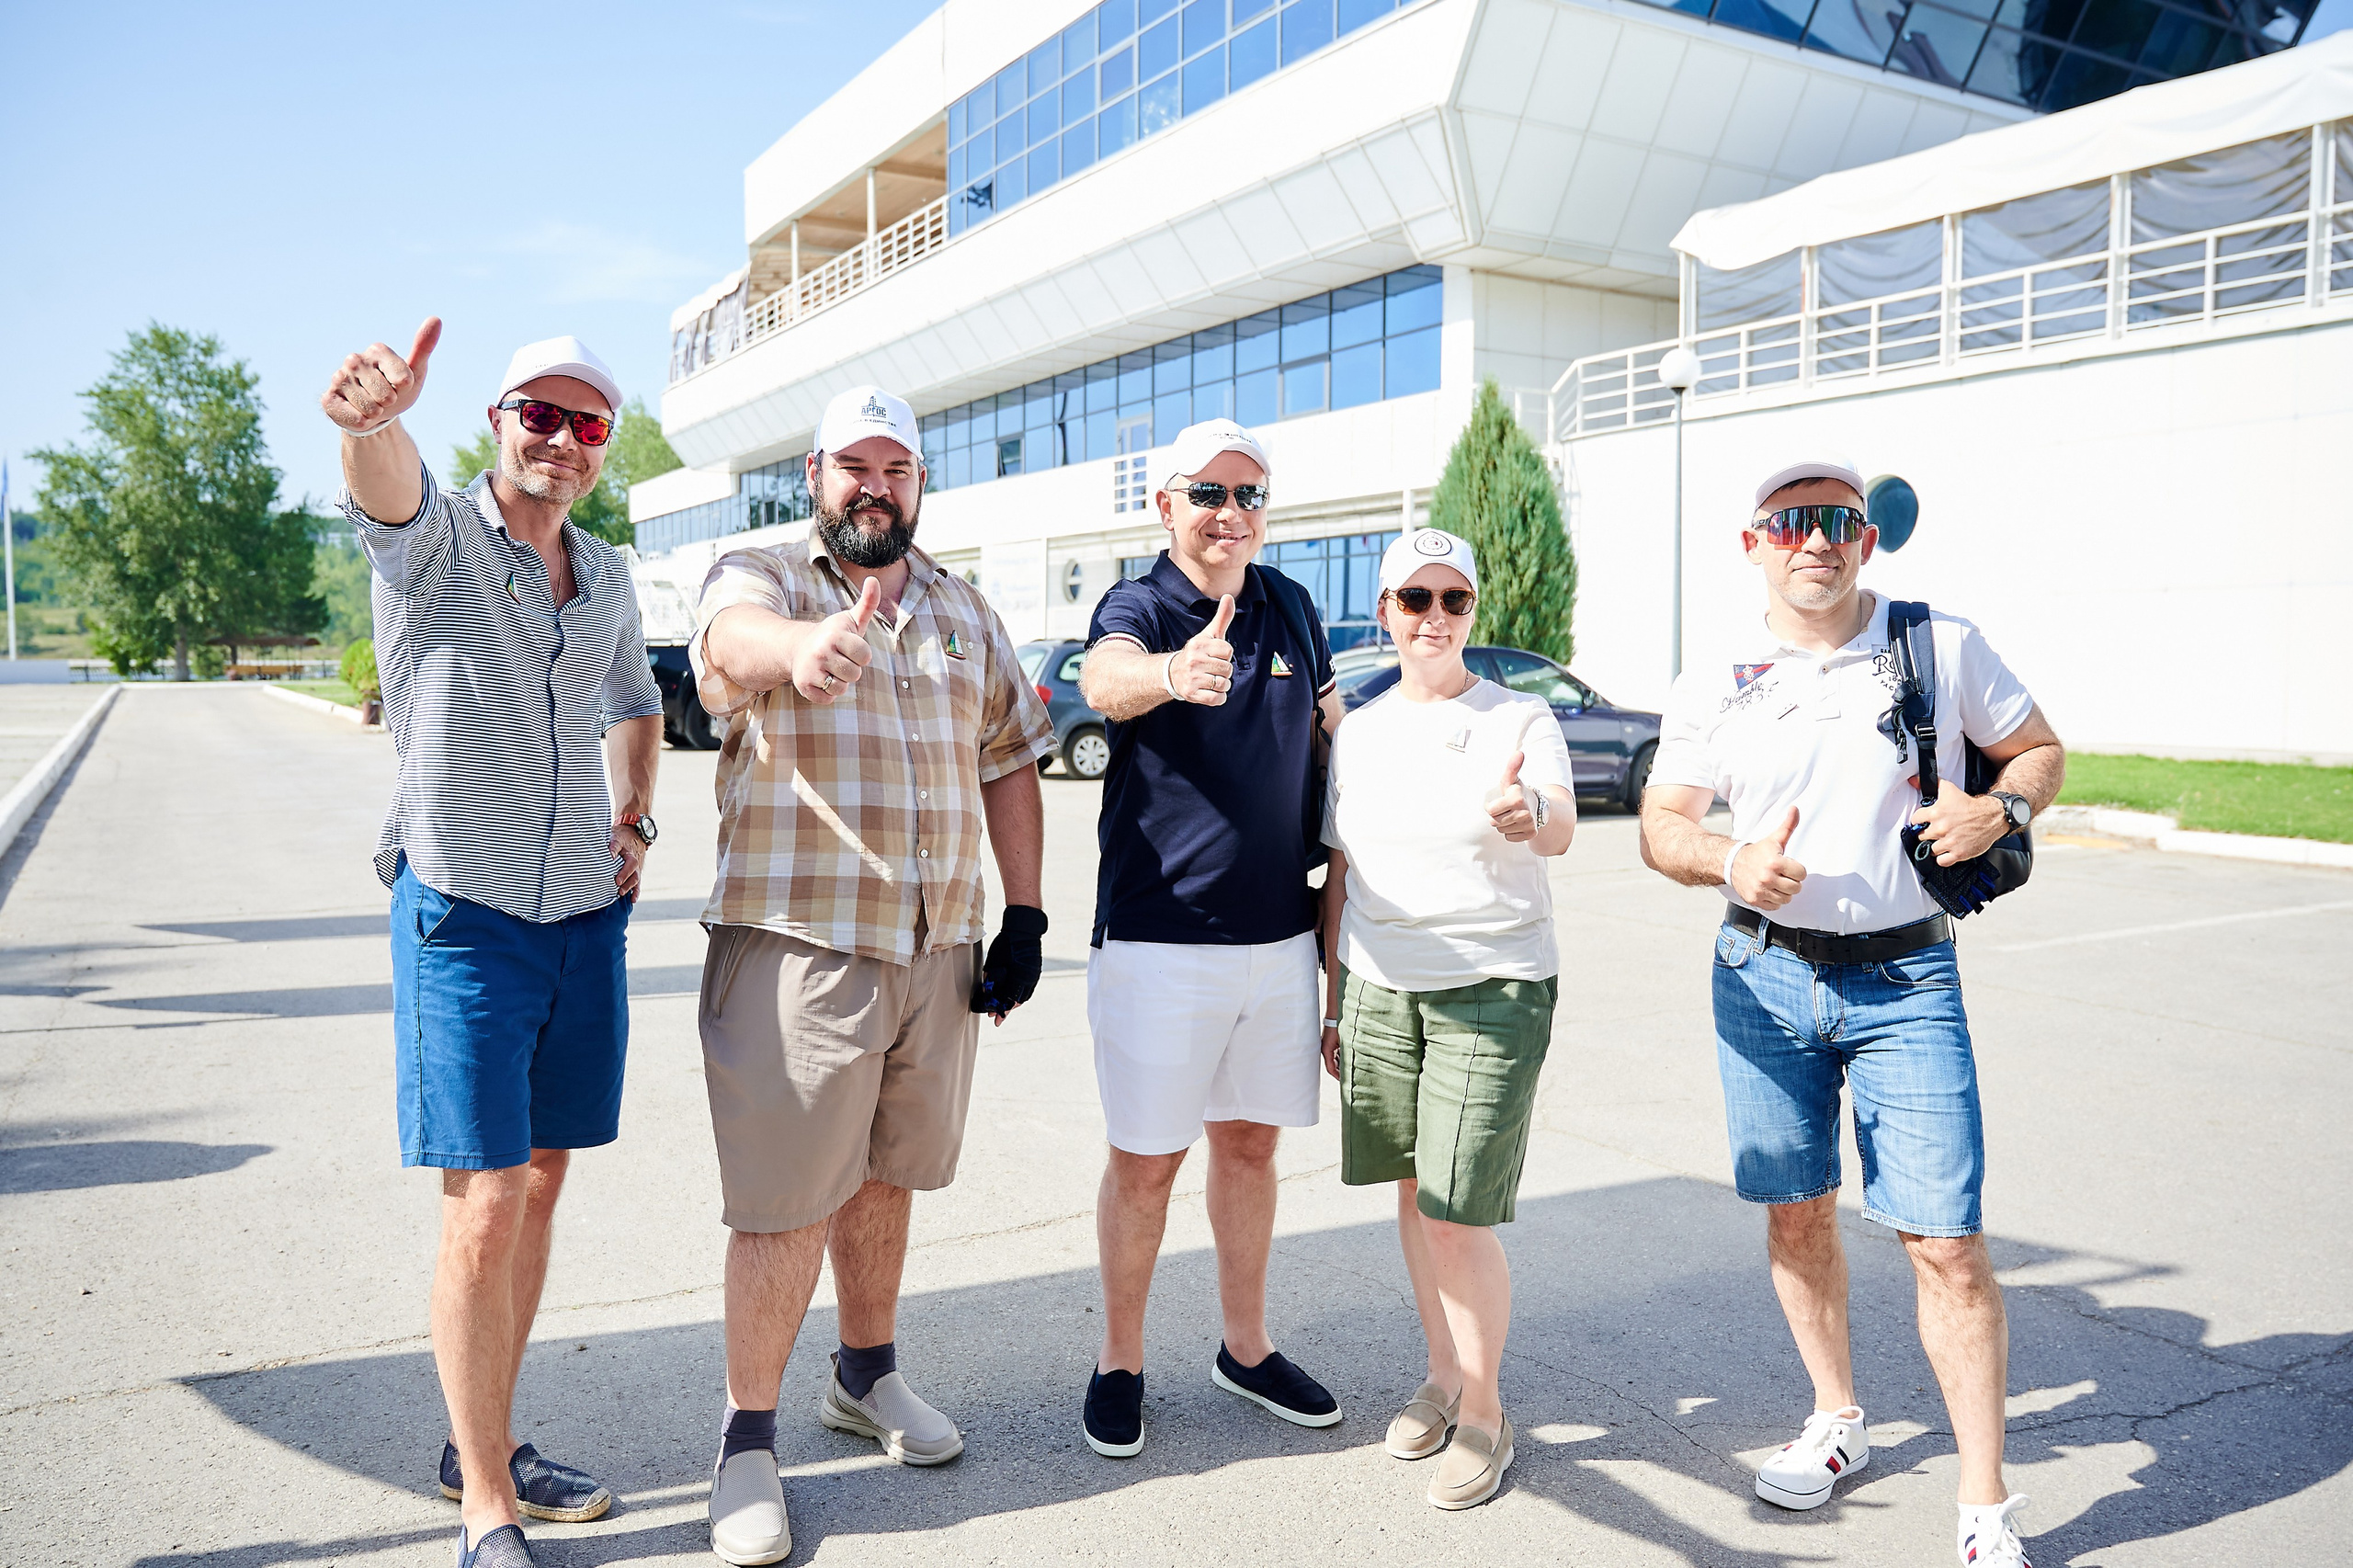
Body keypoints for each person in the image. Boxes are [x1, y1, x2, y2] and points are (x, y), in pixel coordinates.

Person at [1637, 456, 2065, 1568]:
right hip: (1761, 974)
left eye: (1835, 520)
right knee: (1794, 1210)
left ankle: (1983, 1508)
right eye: (1789, 523)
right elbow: (1661, 825)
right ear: (1754, 546)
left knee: (1948, 1245)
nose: (1813, 539)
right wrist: (1729, 860)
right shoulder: (1714, 676)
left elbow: (2040, 746)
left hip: (1906, 980)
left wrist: (2001, 805)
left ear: (1865, 538)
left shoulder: (1940, 642)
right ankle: (1837, 1418)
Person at [687, 385, 1054, 1566]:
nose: (875, 485)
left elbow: (1008, 758)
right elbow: (725, 653)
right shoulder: (766, 577)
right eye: (855, 465)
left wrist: (1029, 911)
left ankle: (866, 1373)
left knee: (887, 1176)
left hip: (936, 945)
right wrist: (801, 650)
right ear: (814, 474)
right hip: (802, 941)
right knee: (786, 1200)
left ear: (919, 484)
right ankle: (747, 1439)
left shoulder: (962, 607)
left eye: (896, 467)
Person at [323, 323, 664, 1568]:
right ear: (495, 419)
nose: (561, 443)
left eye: (585, 424)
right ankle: (486, 1505)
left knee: (540, 1184)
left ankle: (494, 1438)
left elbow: (635, 699)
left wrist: (637, 818)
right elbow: (387, 489)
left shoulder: (612, 573)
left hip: (583, 913)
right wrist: (370, 423)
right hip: (463, 916)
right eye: (538, 415)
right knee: (479, 1208)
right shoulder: (441, 541)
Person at [1074, 418, 1344, 1460]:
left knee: (1249, 1144)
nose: (1229, 513)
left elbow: (1332, 732)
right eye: (1207, 494)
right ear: (1166, 505)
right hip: (1158, 938)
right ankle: (1120, 1361)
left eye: (1249, 493)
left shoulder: (1292, 604)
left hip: (1278, 938)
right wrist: (1169, 675)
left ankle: (1246, 1345)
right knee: (1146, 1162)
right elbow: (1103, 681)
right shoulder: (1138, 604)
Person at [1316, 528, 1576, 1510]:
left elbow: (1552, 816)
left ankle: (1486, 1408)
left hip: (1493, 984)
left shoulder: (1517, 715)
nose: (1433, 616)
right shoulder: (1360, 730)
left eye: (1452, 599)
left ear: (1472, 611)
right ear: (1384, 610)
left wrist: (1528, 817)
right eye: (1413, 598)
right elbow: (1340, 869)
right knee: (1412, 1189)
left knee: (1455, 1209)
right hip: (1381, 984)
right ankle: (1440, 1370)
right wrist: (1335, 999)